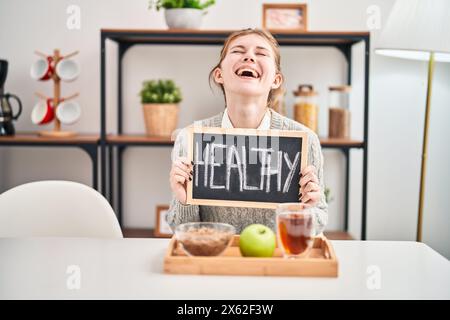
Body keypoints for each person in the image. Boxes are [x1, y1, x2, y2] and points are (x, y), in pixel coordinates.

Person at [167, 28, 328, 233]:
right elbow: (183, 232)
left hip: (277, 262)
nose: (249, 57)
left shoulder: (306, 140)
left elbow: (317, 222)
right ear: (219, 74)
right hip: (215, 261)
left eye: (260, 53)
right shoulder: (189, 139)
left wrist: (308, 210)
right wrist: (184, 201)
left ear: (276, 80)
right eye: (238, 51)